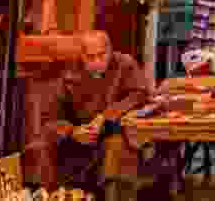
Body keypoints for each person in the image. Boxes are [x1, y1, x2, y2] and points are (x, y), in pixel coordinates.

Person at [23, 31, 151, 199]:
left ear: (110, 51)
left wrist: (106, 117)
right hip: (77, 140)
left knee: (117, 148)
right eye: (90, 57)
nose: (97, 62)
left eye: (101, 55)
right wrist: (73, 132)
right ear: (81, 56)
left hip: (114, 134)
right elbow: (51, 119)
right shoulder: (68, 72)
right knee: (37, 149)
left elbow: (140, 94)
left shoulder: (125, 64)